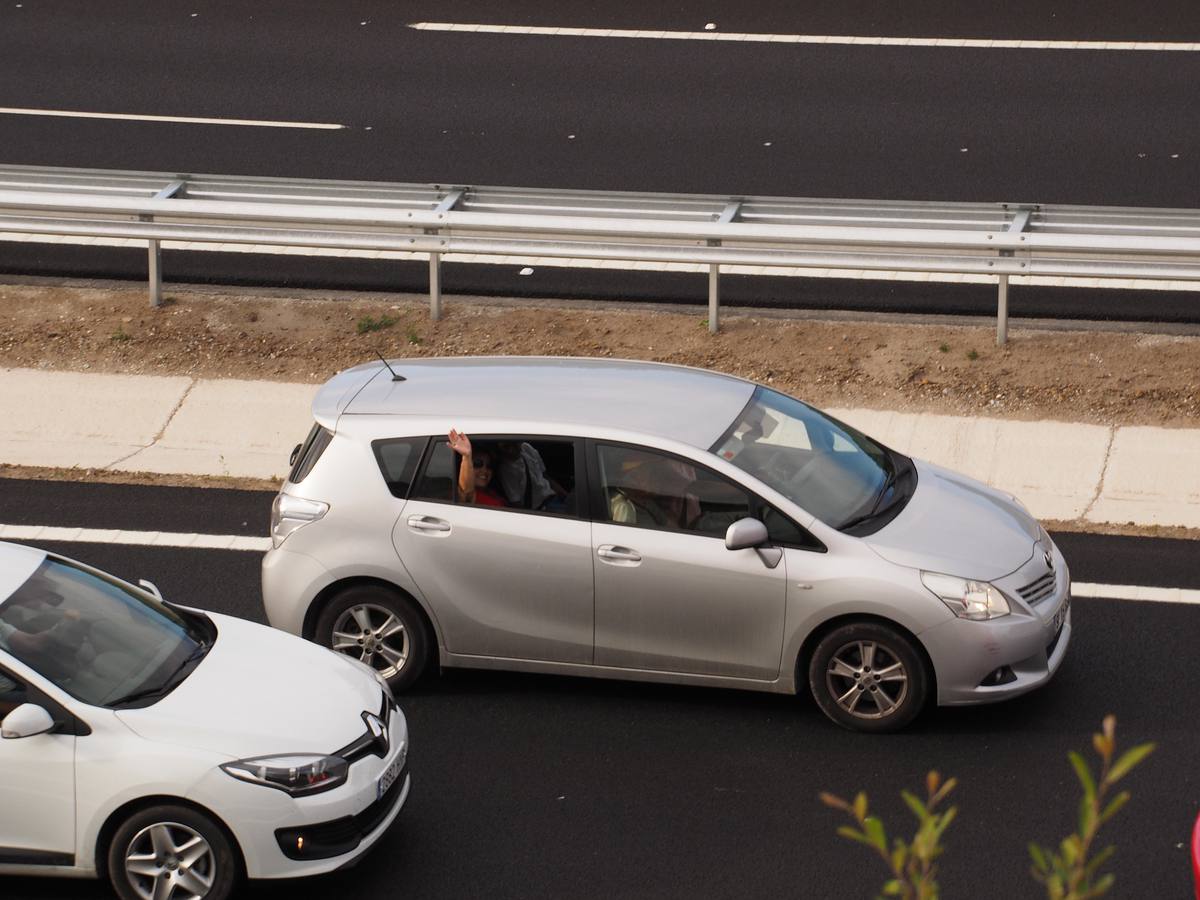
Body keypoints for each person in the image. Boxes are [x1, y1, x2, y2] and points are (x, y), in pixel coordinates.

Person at [495, 441, 568, 511]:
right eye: (506, 447)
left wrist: (566, 496)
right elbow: (516, 503)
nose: (512, 449)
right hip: (540, 508)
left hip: (553, 497)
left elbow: (545, 476)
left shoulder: (527, 448)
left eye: (515, 443)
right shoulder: (506, 470)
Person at [448, 429, 506, 507]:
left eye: (489, 465)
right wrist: (466, 456)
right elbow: (466, 491)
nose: (484, 470)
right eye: (477, 464)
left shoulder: (491, 491)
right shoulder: (467, 495)